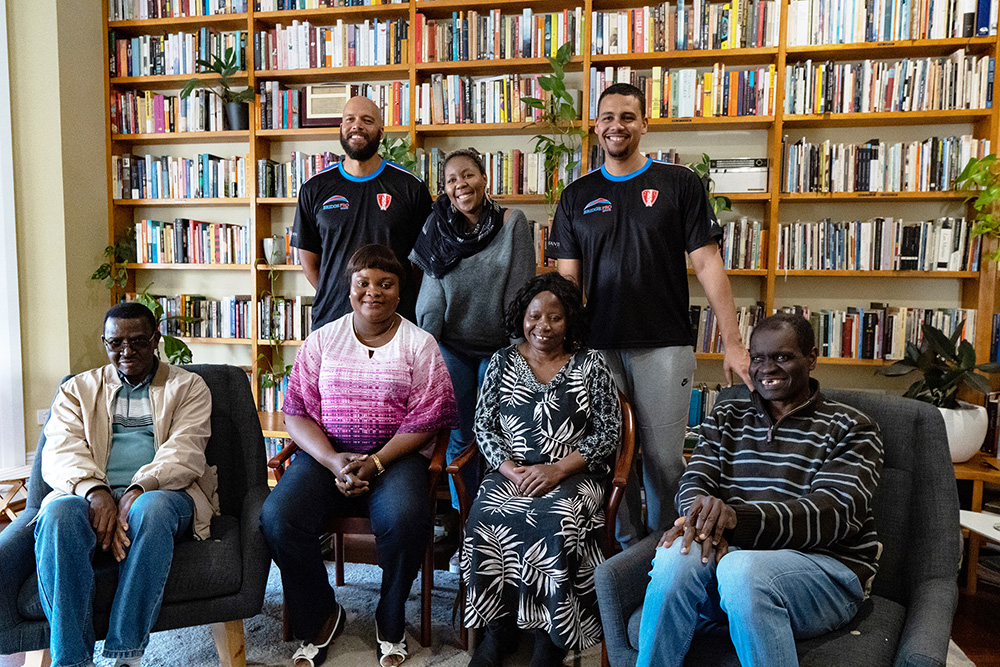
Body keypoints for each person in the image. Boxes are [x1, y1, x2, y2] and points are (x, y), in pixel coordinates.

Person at [546, 82, 753, 548]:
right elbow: (566, 284)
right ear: (595, 126)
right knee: (610, 455)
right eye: (607, 117)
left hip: (664, 344)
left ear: (644, 123)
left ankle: (664, 554)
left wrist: (734, 343)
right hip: (597, 347)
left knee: (662, 459)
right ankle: (626, 550)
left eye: (627, 117)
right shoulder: (577, 195)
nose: (616, 126)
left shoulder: (679, 183)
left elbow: (707, 264)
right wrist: (562, 353)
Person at [613, 312, 883, 667]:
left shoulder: (851, 428)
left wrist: (734, 521)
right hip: (730, 568)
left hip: (826, 574)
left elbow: (833, 514)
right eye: (758, 358)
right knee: (674, 558)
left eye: (782, 357)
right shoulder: (726, 418)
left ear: (812, 358)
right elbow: (694, 482)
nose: (766, 368)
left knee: (741, 569)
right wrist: (702, 515)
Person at [260, 244, 458, 667]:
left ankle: (390, 616)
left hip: (397, 457)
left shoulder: (419, 344)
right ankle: (320, 616)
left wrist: (376, 462)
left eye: (385, 284)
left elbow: (429, 419)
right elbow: (296, 413)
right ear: (348, 289)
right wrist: (333, 460)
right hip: (326, 455)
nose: (374, 292)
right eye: (363, 283)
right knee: (278, 517)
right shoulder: (322, 340)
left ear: (400, 291)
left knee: (407, 519)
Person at [34, 302, 217, 667]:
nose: (127, 352)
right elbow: (60, 451)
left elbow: (186, 451)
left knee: (151, 509)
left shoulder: (188, 386)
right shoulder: (77, 390)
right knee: (57, 518)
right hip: (87, 494)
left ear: (156, 340)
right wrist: (96, 492)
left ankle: (126, 654)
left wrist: (137, 489)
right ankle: (71, 661)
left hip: (163, 492)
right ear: (105, 342)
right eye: (116, 343)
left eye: (138, 342)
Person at [462, 273, 622, 667]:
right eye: (534, 316)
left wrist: (556, 470)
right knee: (484, 518)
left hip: (575, 475)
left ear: (570, 322)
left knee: (556, 519)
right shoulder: (501, 361)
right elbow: (483, 426)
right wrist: (512, 471)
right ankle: (496, 633)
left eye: (555, 318)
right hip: (512, 471)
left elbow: (608, 431)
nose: (543, 327)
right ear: (522, 317)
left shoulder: (591, 363)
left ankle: (551, 638)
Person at [409, 148, 535, 560]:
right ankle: (470, 530)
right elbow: (430, 297)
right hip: (454, 347)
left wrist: (517, 347)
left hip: (500, 347)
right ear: (444, 190)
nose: (460, 184)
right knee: (462, 439)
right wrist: (424, 354)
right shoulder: (437, 228)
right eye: (451, 180)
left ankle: (500, 527)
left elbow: (520, 289)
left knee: (501, 437)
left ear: (485, 179)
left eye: (468, 175)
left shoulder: (512, 222)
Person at [291, 95, 433, 329]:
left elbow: (421, 263)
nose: (357, 125)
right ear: (341, 128)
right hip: (332, 318)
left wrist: (390, 298)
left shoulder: (410, 187)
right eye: (350, 119)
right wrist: (346, 296)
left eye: (367, 120)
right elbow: (309, 259)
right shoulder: (314, 188)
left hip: (395, 322)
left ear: (380, 132)